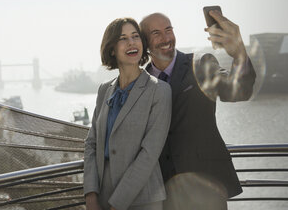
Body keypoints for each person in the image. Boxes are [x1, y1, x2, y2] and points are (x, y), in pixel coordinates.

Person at [139, 11, 256, 210]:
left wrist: (238, 53)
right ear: (144, 42)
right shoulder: (140, 82)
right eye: (156, 33)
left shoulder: (201, 64)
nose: (166, 38)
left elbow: (239, 91)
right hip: (161, 192)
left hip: (206, 187)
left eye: (169, 30)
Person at [84, 17, 172, 210]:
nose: (131, 42)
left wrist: (118, 204)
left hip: (144, 199)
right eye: (123, 38)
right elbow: (91, 143)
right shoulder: (103, 90)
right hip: (102, 197)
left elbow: (149, 153)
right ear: (112, 49)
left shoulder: (160, 91)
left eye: (135, 36)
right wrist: (91, 194)